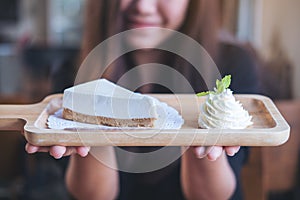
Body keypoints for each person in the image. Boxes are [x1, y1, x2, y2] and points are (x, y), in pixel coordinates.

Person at [26, 0, 259, 199]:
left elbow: (211, 196)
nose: (143, 6)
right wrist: (91, 133)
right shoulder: (74, 73)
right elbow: (91, 196)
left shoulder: (231, 64)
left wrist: (202, 140)